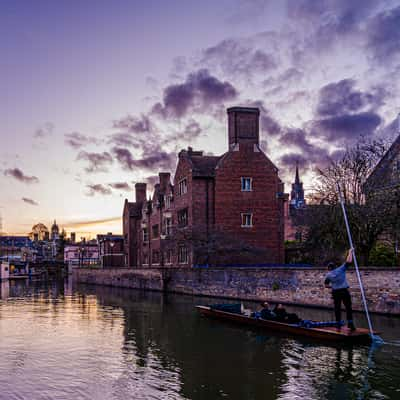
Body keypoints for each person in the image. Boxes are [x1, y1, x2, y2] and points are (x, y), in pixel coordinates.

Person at [324, 249, 356, 331]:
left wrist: (332, 286)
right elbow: (349, 261)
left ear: (328, 268)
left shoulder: (328, 275)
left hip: (336, 292)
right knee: (348, 307)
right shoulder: (341, 269)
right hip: (344, 291)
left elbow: (326, 285)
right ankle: (350, 324)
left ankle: (338, 325)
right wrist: (350, 252)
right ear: (335, 267)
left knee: (337, 308)